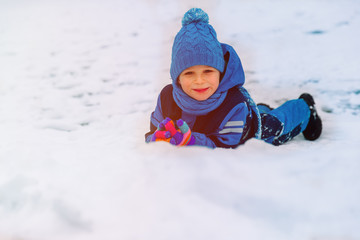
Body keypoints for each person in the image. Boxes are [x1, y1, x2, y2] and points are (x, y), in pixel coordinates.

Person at [144, 8, 322, 148]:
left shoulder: (233, 103)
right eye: (189, 73)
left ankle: (305, 108)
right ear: (177, 77)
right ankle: (260, 109)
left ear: (220, 72)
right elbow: (153, 131)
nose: (199, 81)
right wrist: (158, 139)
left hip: (247, 133)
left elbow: (228, 147)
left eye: (208, 71)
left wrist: (190, 141)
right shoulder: (167, 98)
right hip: (239, 119)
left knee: (277, 125)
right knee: (256, 112)